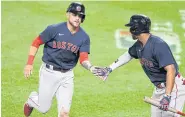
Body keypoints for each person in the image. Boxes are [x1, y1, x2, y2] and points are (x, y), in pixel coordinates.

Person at [97, 14, 185, 117]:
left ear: (136, 29)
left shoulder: (158, 45)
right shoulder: (139, 45)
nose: (129, 30)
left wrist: (167, 96)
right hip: (159, 89)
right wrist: (109, 69)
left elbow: (171, 69)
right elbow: (128, 55)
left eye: (131, 27)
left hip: (173, 87)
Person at [23, 2, 100, 117]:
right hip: (49, 73)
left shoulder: (84, 37)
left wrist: (91, 67)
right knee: (44, 108)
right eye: (74, 14)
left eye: (80, 16)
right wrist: (29, 64)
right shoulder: (53, 29)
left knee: (64, 114)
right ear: (67, 14)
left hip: (67, 76)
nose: (77, 18)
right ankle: (32, 99)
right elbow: (36, 42)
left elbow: (83, 58)